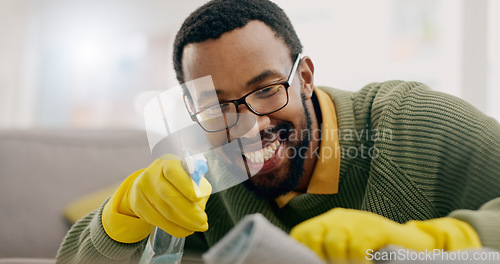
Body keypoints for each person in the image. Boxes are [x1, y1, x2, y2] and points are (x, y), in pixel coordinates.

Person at [56, 0, 500, 263]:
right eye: (216, 107)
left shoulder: (411, 121)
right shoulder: (206, 181)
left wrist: (440, 241)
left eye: (266, 90)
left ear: (304, 76)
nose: (249, 127)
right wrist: (124, 215)